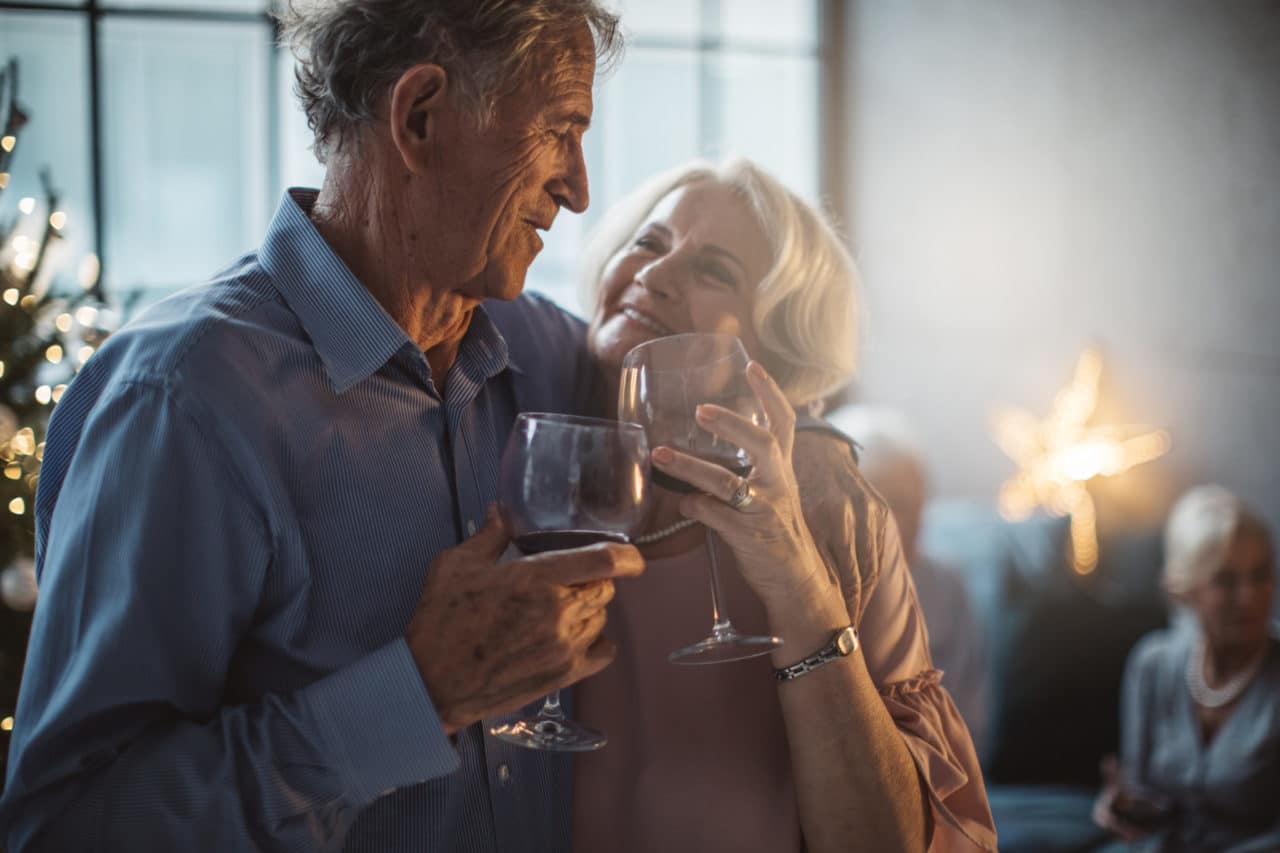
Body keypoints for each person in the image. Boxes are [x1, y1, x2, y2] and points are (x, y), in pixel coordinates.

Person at [0, 3, 639, 851]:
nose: (578, 188)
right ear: (420, 116)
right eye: (560, 130)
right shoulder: (180, 401)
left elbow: (693, 423)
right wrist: (417, 696)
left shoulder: (545, 354)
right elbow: (63, 826)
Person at [573, 158, 997, 853]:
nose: (655, 274)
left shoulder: (835, 521)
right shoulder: (529, 442)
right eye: (648, 242)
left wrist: (800, 588)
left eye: (713, 271)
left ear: (772, 349)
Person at [1092, 485, 1279, 852]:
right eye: (1225, 580)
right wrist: (1121, 807)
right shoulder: (1152, 664)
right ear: (1185, 590)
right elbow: (1144, 794)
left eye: (1260, 574)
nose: (1250, 596)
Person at [830, 405, 989, 758]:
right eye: (895, 504)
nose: (912, 519)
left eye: (917, 501)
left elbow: (969, 721)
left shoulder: (946, 585)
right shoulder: (820, 593)